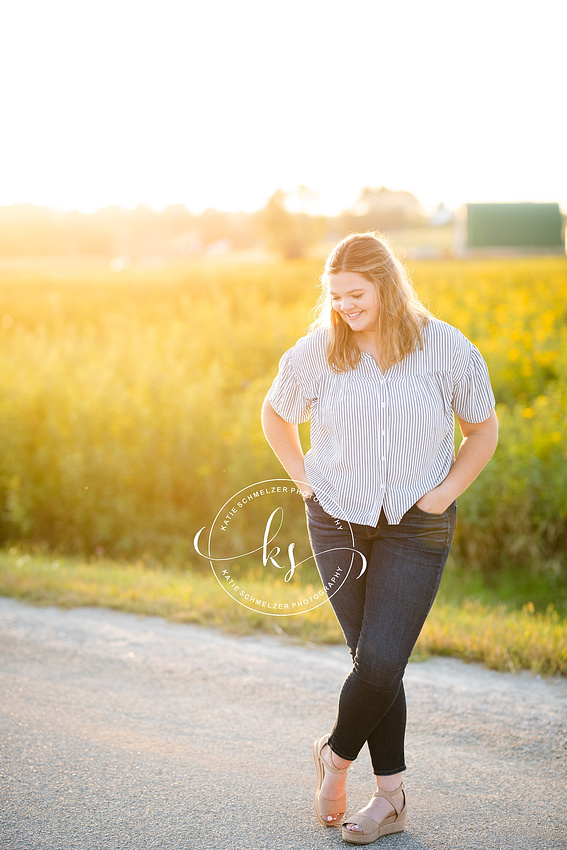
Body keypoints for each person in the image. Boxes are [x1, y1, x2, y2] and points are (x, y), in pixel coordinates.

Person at [261, 232, 498, 845]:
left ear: (387, 286)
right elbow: (276, 413)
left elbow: (482, 431)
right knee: (372, 663)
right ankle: (390, 797)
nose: (344, 306)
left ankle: (334, 763)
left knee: (384, 659)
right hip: (337, 519)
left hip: (417, 525)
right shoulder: (318, 351)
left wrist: (441, 497)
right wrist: (304, 480)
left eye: (355, 294)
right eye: (335, 296)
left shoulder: (445, 348)